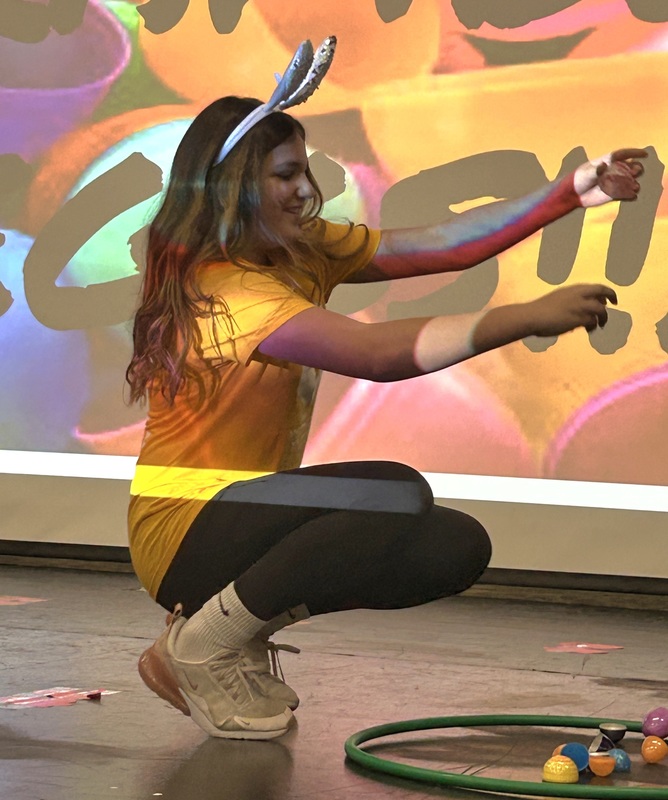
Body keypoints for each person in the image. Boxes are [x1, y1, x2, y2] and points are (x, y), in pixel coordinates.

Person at [125, 38, 646, 740]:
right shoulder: (225, 292)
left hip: (249, 517)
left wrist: (566, 195)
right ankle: (207, 643)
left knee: (452, 546)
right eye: (282, 174)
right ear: (233, 186)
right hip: (185, 527)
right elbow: (375, 354)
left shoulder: (295, 250)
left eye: (302, 169)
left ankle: (219, 630)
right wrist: (525, 317)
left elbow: (439, 242)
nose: (303, 187)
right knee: (392, 494)